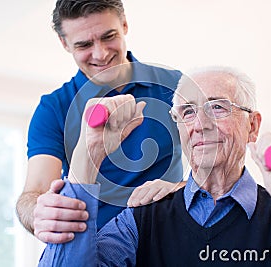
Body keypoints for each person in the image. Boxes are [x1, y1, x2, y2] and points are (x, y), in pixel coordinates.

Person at [38, 66, 271, 266]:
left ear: (253, 125)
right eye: (187, 112)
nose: (200, 125)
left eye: (217, 107)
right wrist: (87, 155)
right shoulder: (142, 217)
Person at [15, 0, 186, 244]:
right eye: (84, 44)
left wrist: (181, 188)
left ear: (124, 24)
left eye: (109, 36)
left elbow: (214, 169)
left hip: (171, 244)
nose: (101, 53)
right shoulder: (54, 109)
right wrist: (40, 212)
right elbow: (35, 192)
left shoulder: (176, 86)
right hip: (97, 251)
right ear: (64, 43)